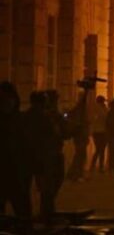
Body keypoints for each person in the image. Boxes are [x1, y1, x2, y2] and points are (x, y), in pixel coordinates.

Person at [26, 91, 70, 221]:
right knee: (47, 186)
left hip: (53, 154)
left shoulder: (53, 115)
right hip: (44, 156)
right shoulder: (40, 116)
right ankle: (46, 213)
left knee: (53, 183)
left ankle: (47, 211)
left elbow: (64, 132)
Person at [0, 82, 32, 221]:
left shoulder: (21, 120)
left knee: (23, 214)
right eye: (3, 99)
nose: (7, 102)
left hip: (18, 175)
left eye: (9, 99)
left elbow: (29, 148)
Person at [65, 90, 90, 182]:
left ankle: (75, 173)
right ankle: (76, 174)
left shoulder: (80, 109)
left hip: (81, 135)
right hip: (80, 136)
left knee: (80, 155)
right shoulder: (79, 109)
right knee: (80, 155)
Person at [89, 96, 109, 173]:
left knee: (101, 149)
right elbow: (103, 117)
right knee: (99, 149)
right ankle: (97, 166)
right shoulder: (98, 108)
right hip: (99, 131)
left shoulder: (104, 108)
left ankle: (97, 166)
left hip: (101, 131)